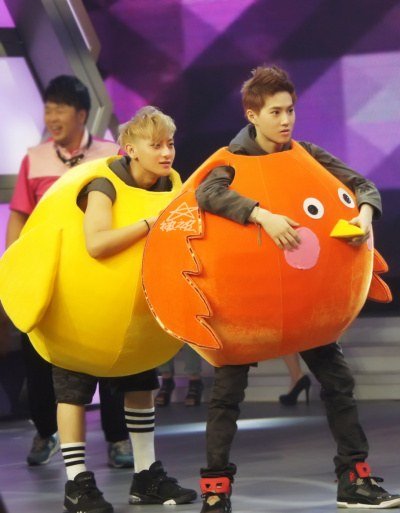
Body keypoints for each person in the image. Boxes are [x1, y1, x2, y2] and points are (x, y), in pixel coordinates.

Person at [194, 65, 400, 511]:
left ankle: (355, 479)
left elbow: (361, 184)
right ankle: (216, 491)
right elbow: (207, 193)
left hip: (306, 298)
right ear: (252, 115)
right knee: (227, 394)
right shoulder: (230, 160)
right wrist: (261, 214)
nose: (286, 120)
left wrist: (364, 214)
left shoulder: (306, 154)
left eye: (290, 110)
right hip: (246, 301)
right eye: (275, 112)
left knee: (338, 382)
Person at [55, 106, 197, 513]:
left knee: (141, 382)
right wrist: (150, 224)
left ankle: (145, 475)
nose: (166, 153)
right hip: (81, 304)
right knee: (74, 389)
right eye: (156, 145)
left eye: (170, 144)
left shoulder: (169, 186)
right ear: (131, 149)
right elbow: (96, 243)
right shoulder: (105, 184)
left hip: (132, 309)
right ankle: (77, 482)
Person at [5, 75, 133, 468]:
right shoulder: (35, 158)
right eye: (48, 109)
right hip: (48, 276)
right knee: (38, 358)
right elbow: (19, 217)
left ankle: (118, 439)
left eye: (59, 108)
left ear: (81, 114)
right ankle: (45, 431)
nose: (52, 117)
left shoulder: (110, 154)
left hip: (98, 273)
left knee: (110, 357)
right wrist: (13, 271)